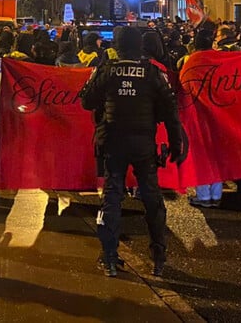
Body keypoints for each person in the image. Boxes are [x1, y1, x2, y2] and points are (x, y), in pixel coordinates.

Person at [79, 25, 185, 277]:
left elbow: (86, 101)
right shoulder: (152, 73)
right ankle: (158, 254)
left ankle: (109, 257)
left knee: (112, 197)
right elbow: (171, 110)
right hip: (143, 143)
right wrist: (176, 143)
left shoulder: (106, 70)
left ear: (116, 45)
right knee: (151, 197)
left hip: (112, 140)